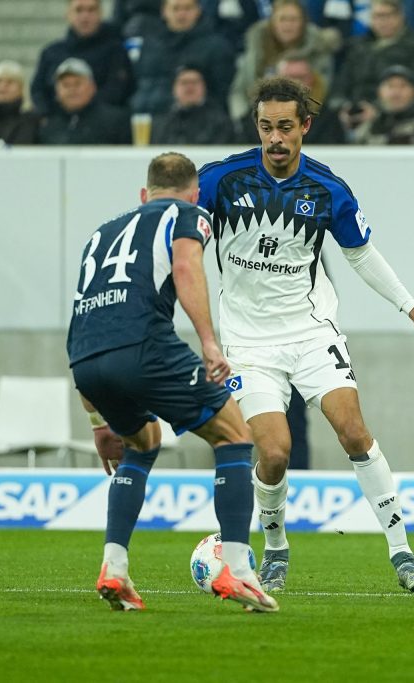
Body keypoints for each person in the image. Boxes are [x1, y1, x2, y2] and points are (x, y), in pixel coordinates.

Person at [198, 77, 414, 593]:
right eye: (266, 127)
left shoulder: (327, 188)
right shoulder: (220, 180)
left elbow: (361, 255)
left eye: (285, 127)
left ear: (305, 126)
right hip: (248, 344)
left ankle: (402, 552)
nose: (275, 138)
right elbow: (181, 237)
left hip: (311, 332)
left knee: (353, 432)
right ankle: (276, 549)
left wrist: (411, 308)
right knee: (274, 453)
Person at [67, 152, 278, 613]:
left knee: (142, 444)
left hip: (86, 361)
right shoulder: (187, 214)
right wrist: (209, 342)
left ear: (144, 194)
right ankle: (238, 569)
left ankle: (114, 566)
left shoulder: (100, 234)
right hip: (145, 347)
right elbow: (185, 267)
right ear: (195, 193)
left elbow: (86, 318)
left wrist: (99, 424)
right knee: (235, 435)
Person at [227, 0, 341, 121]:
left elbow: (326, 92)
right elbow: (239, 92)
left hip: (309, 120)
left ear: (303, 23)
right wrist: (243, 120)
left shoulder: (319, 49)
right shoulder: (257, 49)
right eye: (282, 19)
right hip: (257, 120)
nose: (287, 25)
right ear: (272, 23)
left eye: (293, 20)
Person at [328, 0, 414, 130]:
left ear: (401, 17)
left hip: (393, 116)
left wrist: (377, 109)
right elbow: (341, 84)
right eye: (377, 16)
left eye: (388, 15)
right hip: (352, 114)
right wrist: (343, 107)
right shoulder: (358, 47)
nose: (383, 21)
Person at [130, 0, 236, 115]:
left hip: (191, 118)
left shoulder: (217, 48)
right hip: (141, 114)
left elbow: (221, 94)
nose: (181, 14)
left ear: (198, 11)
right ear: (164, 11)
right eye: (175, 9)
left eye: (187, 8)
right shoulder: (149, 44)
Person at [30, 0, 135, 114]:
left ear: (100, 14)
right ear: (68, 14)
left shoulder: (116, 52)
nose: (85, 17)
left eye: (91, 10)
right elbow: (38, 91)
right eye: (79, 10)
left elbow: (117, 91)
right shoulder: (51, 53)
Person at [39, 58, 131, 145]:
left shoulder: (116, 122)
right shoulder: (48, 126)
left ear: (92, 87)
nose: (72, 89)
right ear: (57, 91)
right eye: (66, 85)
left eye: (77, 83)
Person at [352, 65, 414, 145]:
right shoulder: (368, 126)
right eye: (390, 86)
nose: (396, 93)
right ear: (379, 91)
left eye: (403, 86)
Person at [150, 65, 234, 144]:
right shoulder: (159, 123)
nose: (189, 87)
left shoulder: (220, 122)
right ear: (174, 88)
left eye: (194, 82)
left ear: (204, 87)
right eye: (184, 82)